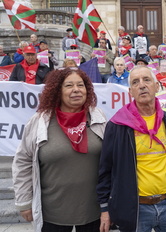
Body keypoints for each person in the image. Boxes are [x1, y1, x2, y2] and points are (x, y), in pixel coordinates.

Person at [97, 65, 166, 232]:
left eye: (146, 80)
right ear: (130, 92)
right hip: (136, 209)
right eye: (135, 82)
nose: (141, 85)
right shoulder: (117, 125)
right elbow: (106, 169)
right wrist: (105, 208)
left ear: (156, 87)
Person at [12, 67, 107, 232]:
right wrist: (24, 201)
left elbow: (110, 163)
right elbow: (23, 161)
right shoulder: (40, 121)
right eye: (69, 85)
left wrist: (108, 206)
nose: (76, 90)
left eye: (80, 85)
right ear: (57, 91)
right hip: (52, 214)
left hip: (93, 212)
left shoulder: (98, 117)